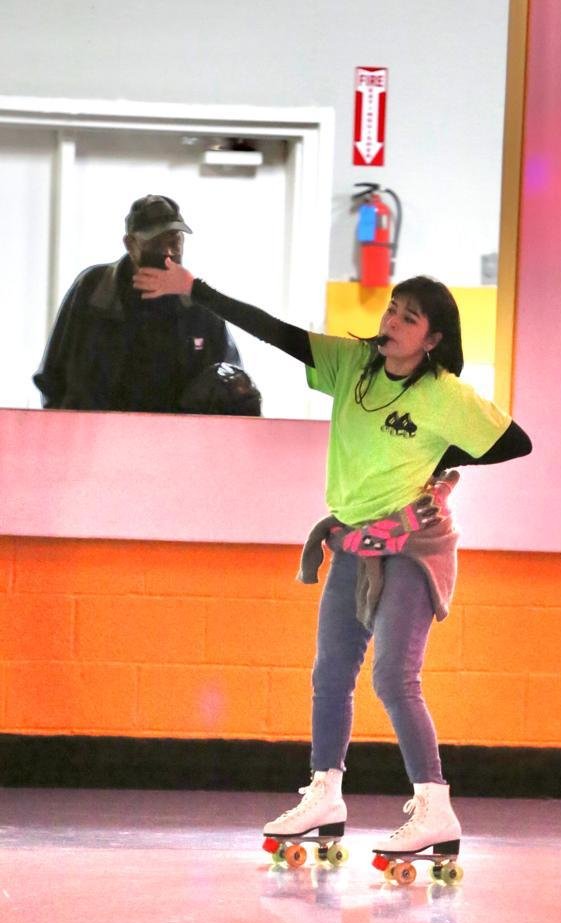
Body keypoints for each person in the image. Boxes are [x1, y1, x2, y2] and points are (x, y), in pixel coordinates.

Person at [133, 258, 532, 860]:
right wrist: (197, 290)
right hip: (354, 540)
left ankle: (435, 809)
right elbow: (277, 333)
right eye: (392, 309)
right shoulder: (352, 365)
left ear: (433, 339)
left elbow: (515, 442)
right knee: (330, 674)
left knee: (393, 677)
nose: (392, 321)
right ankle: (325, 796)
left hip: (414, 544)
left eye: (409, 318)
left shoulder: (443, 395)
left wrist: (438, 460)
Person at [33, 195, 242, 412]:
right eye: (156, 245)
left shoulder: (199, 303)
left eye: (174, 242)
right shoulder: (92, 290)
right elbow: (51, 376)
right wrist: (65, 427)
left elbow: (229, 382)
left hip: (176, 432)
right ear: (130, 244)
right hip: (96, 430)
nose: (168, 254)